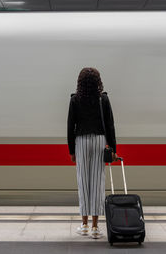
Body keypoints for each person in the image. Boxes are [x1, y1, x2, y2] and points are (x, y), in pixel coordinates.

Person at [67, 67, 118, 239]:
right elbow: (110, 125)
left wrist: (71, 150)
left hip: (80, 141)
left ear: (80, 82)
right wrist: (113, 149)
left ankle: (84, 225)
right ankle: (96, 227)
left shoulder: (75, 100)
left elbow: (70, 127)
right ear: (98, 81)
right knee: (97, 182)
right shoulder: (103, 99)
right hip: (99, 141)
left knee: (83, 181)